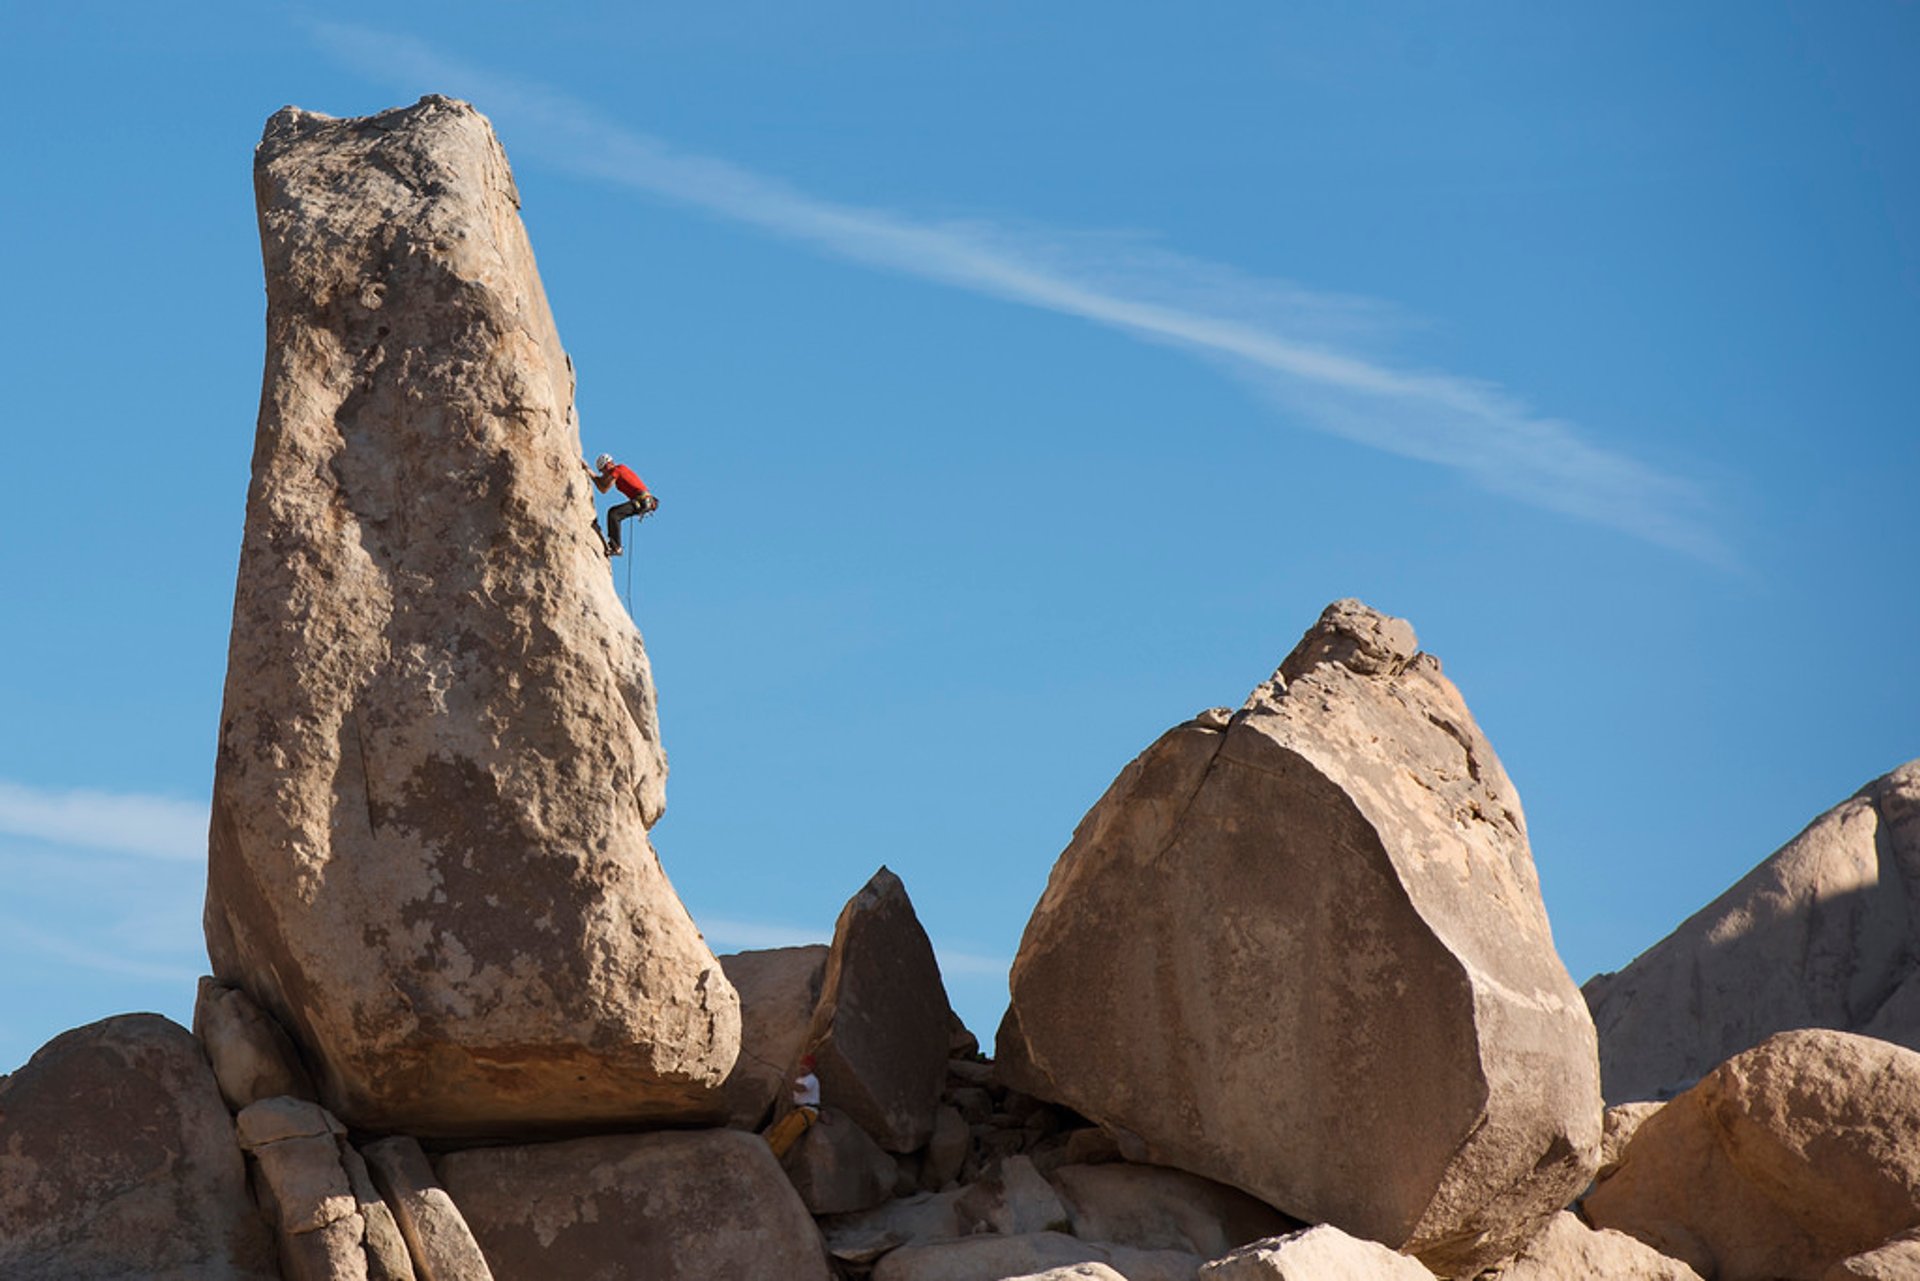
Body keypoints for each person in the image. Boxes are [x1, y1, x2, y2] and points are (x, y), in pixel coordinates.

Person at [583, 453, 658, 557]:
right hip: (643, 500)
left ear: (607, 466)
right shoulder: (618, 470)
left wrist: (590, 473)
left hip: (643, 500)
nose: (603, 474)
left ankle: (616, 547)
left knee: (614, 514)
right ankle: (615, 545)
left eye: (603, 471)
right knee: (614, 513)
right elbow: (602, 483)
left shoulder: (617, 470)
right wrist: (590, 472)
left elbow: (603, 489)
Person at [763, 1054, 823, 1159]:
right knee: (780, 1129)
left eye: (806, 1066)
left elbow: (801, 1089)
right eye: (802, 1065)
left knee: (788, 1134)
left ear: (811, 1068)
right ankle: (767, 1149)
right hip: (798, 1109)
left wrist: (786, 1080)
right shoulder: (799, 1079)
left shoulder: (812, 1079)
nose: (803, 1068)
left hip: (809, 1111)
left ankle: (773, 1155)